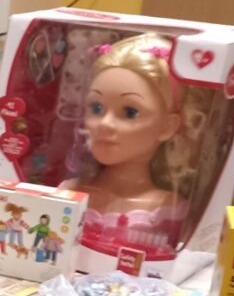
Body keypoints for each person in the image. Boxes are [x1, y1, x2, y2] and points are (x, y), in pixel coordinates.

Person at [60, 33, 200, 274]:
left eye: (130, 112)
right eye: (96, 107)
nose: (105, 124)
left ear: (168, 126)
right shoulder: (68, 193)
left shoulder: (169, 212)